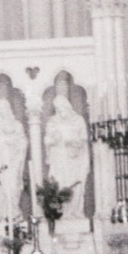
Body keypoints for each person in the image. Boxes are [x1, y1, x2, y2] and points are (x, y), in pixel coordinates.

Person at [42, 92, 90, 220]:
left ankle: (75, 212)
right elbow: (47, 140)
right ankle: (62, 213)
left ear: (68, 106)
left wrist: (73, 142)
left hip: (74, 158)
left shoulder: (78, 120)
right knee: (60, 183)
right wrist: (53, 140)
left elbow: (84, 140)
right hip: (59, 158)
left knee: (75, 185)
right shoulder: (52, 121)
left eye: (62, 106)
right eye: (57, 108)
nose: (60, 110)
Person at [0, 98, 28, 222]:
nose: (0, 111)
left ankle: (13, 213)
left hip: (12, 162)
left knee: (12, 186)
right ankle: (1, 215)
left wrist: (11, 142)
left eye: (2, 108)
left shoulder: (16, 125)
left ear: (8, 109)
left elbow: (23, 142)